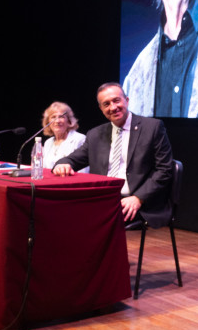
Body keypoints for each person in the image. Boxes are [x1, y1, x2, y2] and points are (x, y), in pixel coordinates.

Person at [53, 83, 174, 224]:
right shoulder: (95, 134)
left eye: (116, 100)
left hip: (137, 201)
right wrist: (63, 164)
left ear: (126, 100)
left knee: (93, 220)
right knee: (63, 212)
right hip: (104, 199)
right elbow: (73, 159)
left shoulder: (152, 128)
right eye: (106, 104)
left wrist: (138, 198)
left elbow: (165, 170)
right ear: (101, 109)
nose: (113, 107)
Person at [40, 101, 87, 172]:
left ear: (69, 121)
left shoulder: (79, 139)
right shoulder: (48, 143)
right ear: (48, 122)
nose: (57, 121)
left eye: (61, 117)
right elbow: (44, 169)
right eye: (53, 117)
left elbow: (83, 171)